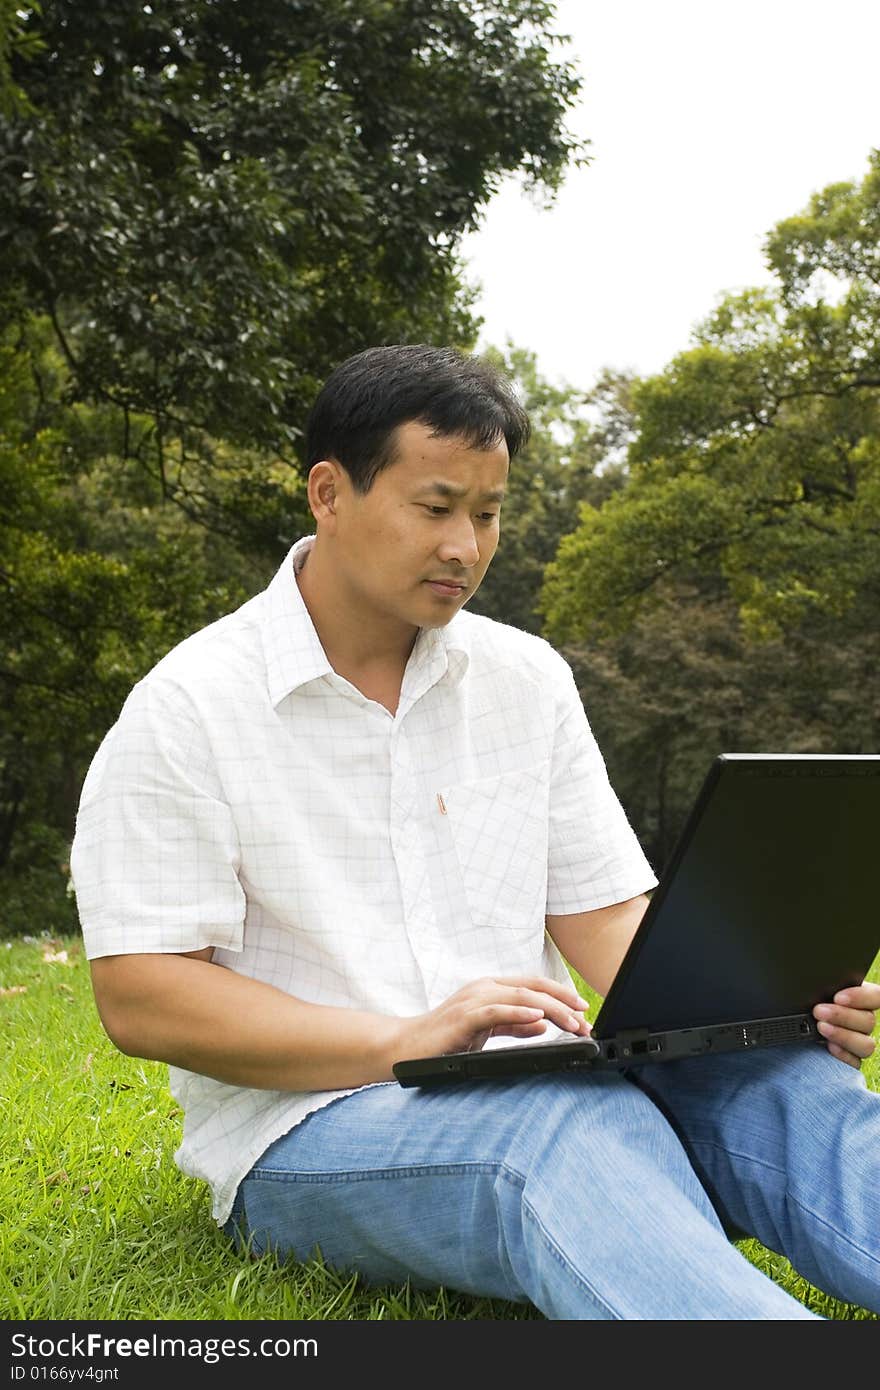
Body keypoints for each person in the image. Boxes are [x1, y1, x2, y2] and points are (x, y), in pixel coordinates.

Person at [70, 343, 880, 1321]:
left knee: (784, 1088)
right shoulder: (189, 707)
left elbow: (607, 916)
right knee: (555, 1129)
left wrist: (758, 1008)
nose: (466, 545)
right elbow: (143, 995)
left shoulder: (523, 678)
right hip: (314, 1126)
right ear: (329, 493)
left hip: (550, 1079)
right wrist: (403, 1040)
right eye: (436, 506)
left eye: (488, 514)